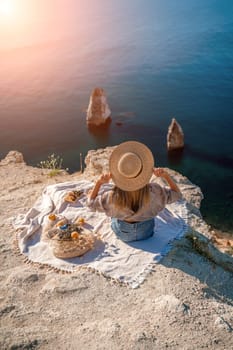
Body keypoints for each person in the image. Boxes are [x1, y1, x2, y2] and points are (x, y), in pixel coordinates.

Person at [87, 141, 182, 242]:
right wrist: (165, 176)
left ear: (120, 173)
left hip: (123, 234)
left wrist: (99, 183)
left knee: (112, 212)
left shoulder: (111, 196)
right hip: (146, 232)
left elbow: (90, 204)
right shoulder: (155, 191)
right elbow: (177, 194)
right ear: (143, 171)